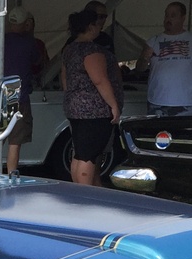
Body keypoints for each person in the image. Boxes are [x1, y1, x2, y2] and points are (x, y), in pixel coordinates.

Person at [61, 8, 124, 186]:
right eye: (97, 24)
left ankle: (82, 189)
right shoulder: (91, 50)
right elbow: (99, 79)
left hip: (75, 107)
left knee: (80, 153)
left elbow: (64, 78)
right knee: (87, 156)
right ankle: (84, 192)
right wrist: (113, 105)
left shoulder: (69, 49)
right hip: (94, 110)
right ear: (90, 27)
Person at [0, 7, 48, 174]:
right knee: (15, 142)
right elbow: (39, 64)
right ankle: (11, 176)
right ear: (26, 23)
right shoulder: (30, 43)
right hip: (19, 95)